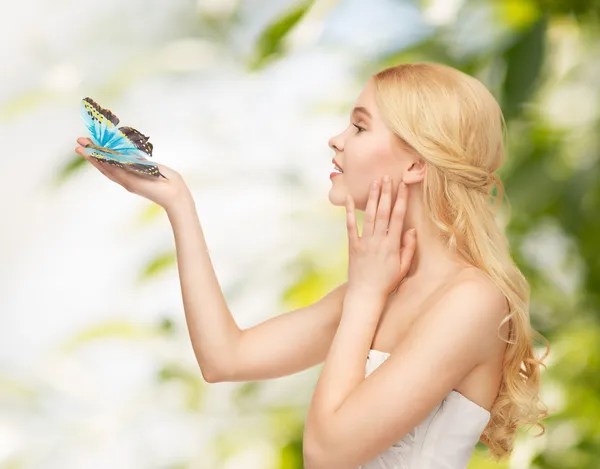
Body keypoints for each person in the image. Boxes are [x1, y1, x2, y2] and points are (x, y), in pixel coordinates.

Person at [75, 62, 549, 469]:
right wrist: (177, 202)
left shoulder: (471, 301)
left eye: (360, 127)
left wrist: (364, 296)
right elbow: (224, 358)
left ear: (416, 165)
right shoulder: (379, 290)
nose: (336, 140)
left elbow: (325, 453)